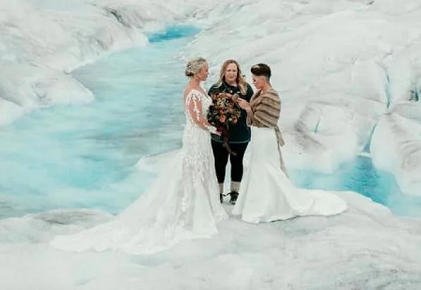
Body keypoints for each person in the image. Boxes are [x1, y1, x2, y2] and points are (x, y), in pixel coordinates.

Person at [50, 57, 226, 254]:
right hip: (196, 136)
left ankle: (203, 208)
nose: (207, 73)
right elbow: (196, 119)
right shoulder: (192, 92)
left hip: (201, 137)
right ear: (195, 72)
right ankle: (190, 212)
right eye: (204, 70)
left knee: (201, 167)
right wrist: (214, 129)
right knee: (192, 168)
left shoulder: (200, 89)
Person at [233, 63, 347, 223]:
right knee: (258, 168)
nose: (253, 82)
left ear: (263, 79)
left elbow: (267, 119)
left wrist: (247, 109)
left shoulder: (271, 96)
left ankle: (273, 205)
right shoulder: (260, 93)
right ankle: (260, 203)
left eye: (255, 79)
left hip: (265, 137)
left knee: (269, 169)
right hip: (258, 137)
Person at [208, 59, 254, 204]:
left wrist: (247, 107)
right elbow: (209, 110)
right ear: (224, 71)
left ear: (238, 72)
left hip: (240, 134)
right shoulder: (216, 88)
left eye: (234, 70)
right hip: (220, 135)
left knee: (237, 162)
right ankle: (218, 193)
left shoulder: (246, 89)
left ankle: (235, 192)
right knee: (219, 163)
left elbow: (253, 110)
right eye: (229, 70)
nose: (232, 73)